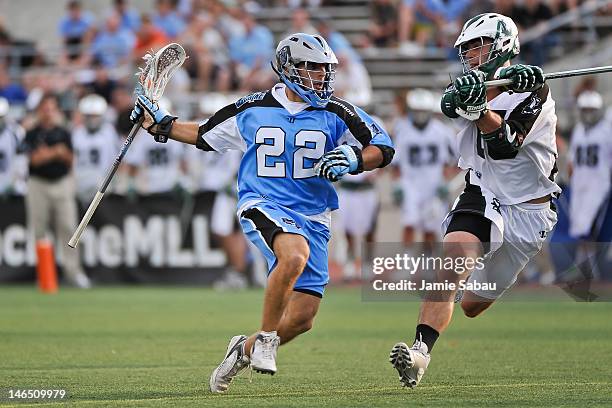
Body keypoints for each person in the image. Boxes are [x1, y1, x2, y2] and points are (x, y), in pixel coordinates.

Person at [130, 33, 394, 392]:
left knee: (302, 319)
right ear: (288, 68)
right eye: (312, 68)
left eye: (325, 69)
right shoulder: (252, 107)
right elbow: (204, 133)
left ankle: (244, 349)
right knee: (293, 255)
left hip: (314, 215)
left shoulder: (337, 110)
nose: (322, 76)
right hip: (263, 202)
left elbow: (383, 145)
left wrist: (354, 159)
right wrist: (160, 123)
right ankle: (266, 339)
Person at [389, 13, 560, 388]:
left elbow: (507, 144)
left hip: (531, 208)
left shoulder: (537, 91)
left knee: (471, 306)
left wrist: (503, 92)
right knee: (454, 258)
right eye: (465, 48)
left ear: (501, 46)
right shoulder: (469, 87)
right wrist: (480, 99)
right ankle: (420, 353)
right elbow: (450, 104)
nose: (468, 54)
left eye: (476, 45)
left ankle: (465, 286)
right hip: (483, 191)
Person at [23, 93, 91, 288]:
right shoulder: (33, 132)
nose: (48, 112)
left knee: (68, 229)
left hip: (61, 182)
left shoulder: (63, 132)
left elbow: (70, 159)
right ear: (39, 111)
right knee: (39, 230)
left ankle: (74, 273)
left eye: (52, 108)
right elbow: (34, 159)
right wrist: (56, 152)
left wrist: (49, 153)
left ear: (57, 111)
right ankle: (44, 275)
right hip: (38, 183)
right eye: (45, 108)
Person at [393, 88, 457, 251]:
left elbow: (454, 161)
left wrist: (446, 182)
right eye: (417, 111)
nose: (420, 115)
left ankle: (427, 263)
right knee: (409, 223)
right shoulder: (402, 130)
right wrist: (397, 184)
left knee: (431, 227)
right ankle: (406, 261)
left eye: (423, 111)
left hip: (433, 184)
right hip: (410, 184)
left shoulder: (442, 131)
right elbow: (396, 163)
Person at [568, 91, 611, 240]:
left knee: (593, 227)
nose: (588, 114)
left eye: (591, 110)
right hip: (579, 183)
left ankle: (592, 260)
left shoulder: (607, 130)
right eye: (585, 110)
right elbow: (571, 160)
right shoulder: (578, 130)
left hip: (599, 184)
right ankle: (583, 260)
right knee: (578, 226)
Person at [72, 94, 121, 204]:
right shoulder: (77, 133)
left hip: (101, 180)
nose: (92, 120)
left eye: (95, 116)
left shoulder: (108, 132)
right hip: (81, 180)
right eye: (89, 116)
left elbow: (115, 158)